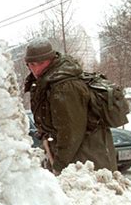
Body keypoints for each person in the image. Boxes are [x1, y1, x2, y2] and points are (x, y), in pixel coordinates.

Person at [23, 37, 117, 175]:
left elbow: (71, 132)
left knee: (85, 195)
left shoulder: (65, 87)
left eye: (41, 63)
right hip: (75, 156)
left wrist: (59, 165)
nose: (35, 68)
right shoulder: (47, 83)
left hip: (86, 158)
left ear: (52, 60)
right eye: (31, 64)